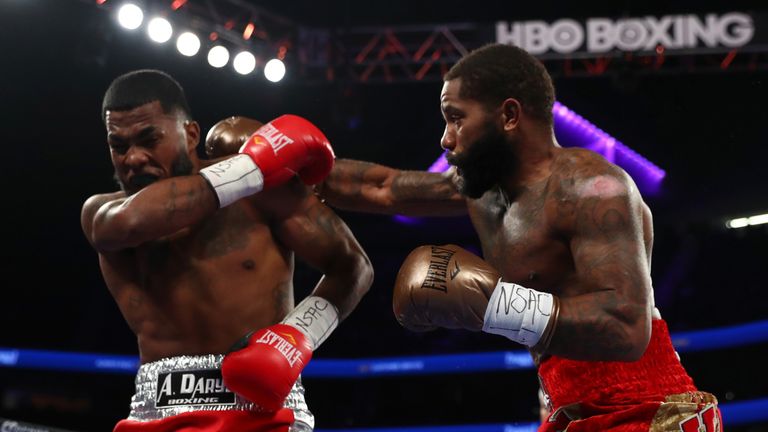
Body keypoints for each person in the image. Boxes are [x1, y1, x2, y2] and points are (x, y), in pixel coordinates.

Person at [314, 44, 722, 431]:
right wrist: (279, 162)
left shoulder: (592, 188)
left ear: (509, 115)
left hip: (647, 409)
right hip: (572, 406)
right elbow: (381, 188)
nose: (446, 138)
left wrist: (495, 305)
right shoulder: (480, 189)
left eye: (456, 118)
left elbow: (628, 329)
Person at [80, 69, 374, 432]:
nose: (134, 158)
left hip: (266, 410)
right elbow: (135, 222)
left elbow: (352, 265)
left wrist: (299, 336)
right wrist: (254, 165)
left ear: (190, 134)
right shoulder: (103, 214)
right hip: (158, 412)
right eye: (119, 145)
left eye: (149, 139)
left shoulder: (263, 192)